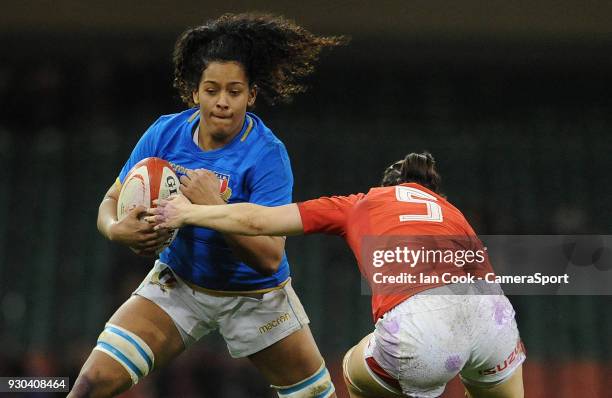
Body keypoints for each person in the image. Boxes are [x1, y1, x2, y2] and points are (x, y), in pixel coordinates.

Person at [69, 13, 345, 398]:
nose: (222, 102)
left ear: (251, 95)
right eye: (212, 89)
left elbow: (268, 257)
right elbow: (110, 200)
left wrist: (213, 207)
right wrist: (116, 229)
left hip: (256, 296)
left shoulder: (267, 155)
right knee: (90, 384)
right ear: (194, 91)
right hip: (179, 284)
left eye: (234, 92)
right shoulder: (164, 132)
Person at [148, 152, 527, 398]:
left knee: (351, 368)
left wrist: (189, 213)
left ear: (385, 187)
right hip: (491, 318)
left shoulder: (360, 203)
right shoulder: (451, 211)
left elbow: (256, 220)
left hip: (422, 329)